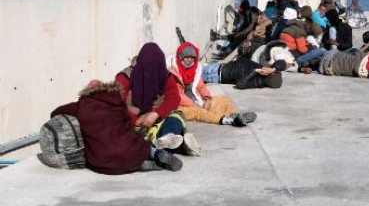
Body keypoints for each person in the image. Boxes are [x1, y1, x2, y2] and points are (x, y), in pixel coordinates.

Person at [51, 79, 183, 173]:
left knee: (98, 148)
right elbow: (129, 124)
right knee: (139, 143)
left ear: (87, 91)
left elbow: (55, 112)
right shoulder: (118, 101)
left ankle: (139, 163)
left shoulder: (80, 107)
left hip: (102, 163)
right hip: (131, 152)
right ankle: (155, 154)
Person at [115, 43, 202, 156]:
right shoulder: (125, 77)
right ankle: (181, 146)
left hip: (157, 120)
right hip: (134, 123)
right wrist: (136, 120)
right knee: (135, 137)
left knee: (176, 117)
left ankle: (167, 138)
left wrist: (156, 114)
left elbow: (174, 98)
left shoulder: (165, 75)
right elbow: (116, 103)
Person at [169, 42, 257, 126]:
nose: (190, 60)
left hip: (197, 100)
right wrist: (195, 105)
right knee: (199, 112)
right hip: (179, 106)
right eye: (187, 57)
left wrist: (207, 99)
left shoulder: (195, 70)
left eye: (192, 57)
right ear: (181, 57)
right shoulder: (172, 73)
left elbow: (201, 87)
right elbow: (177, 96)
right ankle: (227, 120)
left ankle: (235, 116)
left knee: (224, 99)